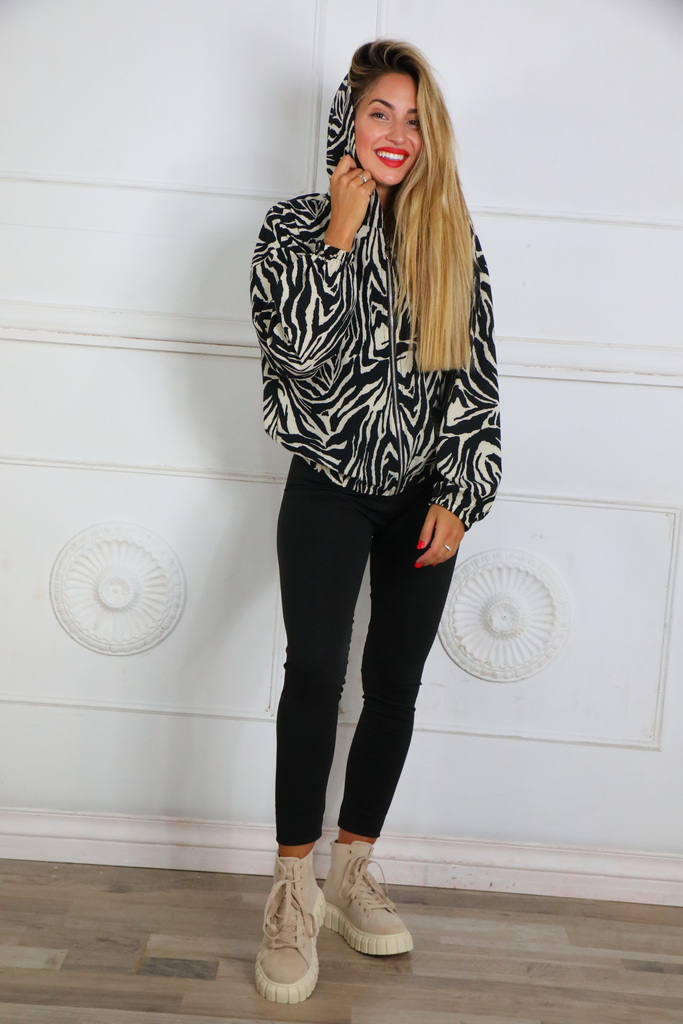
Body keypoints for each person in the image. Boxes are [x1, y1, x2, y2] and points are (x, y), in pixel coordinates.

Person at [250, 39, 501, 1003]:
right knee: (314, 672)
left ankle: (352, 870)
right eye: (378, 114)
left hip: (423, 496)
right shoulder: (292, 227)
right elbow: (294, 359)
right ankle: (291, 890)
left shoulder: (451, 239)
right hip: (326, 483)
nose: (396, 134)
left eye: (412, 119)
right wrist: (339, 235)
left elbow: (477, 380)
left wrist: (461, 492)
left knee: (393, 680)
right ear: (346, 125)